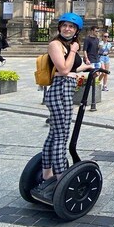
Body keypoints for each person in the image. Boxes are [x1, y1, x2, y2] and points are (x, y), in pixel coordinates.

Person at [30, 13, 93, 203]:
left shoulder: (67, 46)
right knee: (61, 136)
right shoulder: (55, 45)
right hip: (59, 92)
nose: (68, 29)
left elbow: (73, 68)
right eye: (65, 26)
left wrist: (89, 67)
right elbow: (64, 70)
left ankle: (47, 174)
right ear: (60, 28)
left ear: (76, 31)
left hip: (66, 91)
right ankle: (60, 178)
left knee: (53, 135)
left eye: (72, 27)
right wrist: (74, 50)